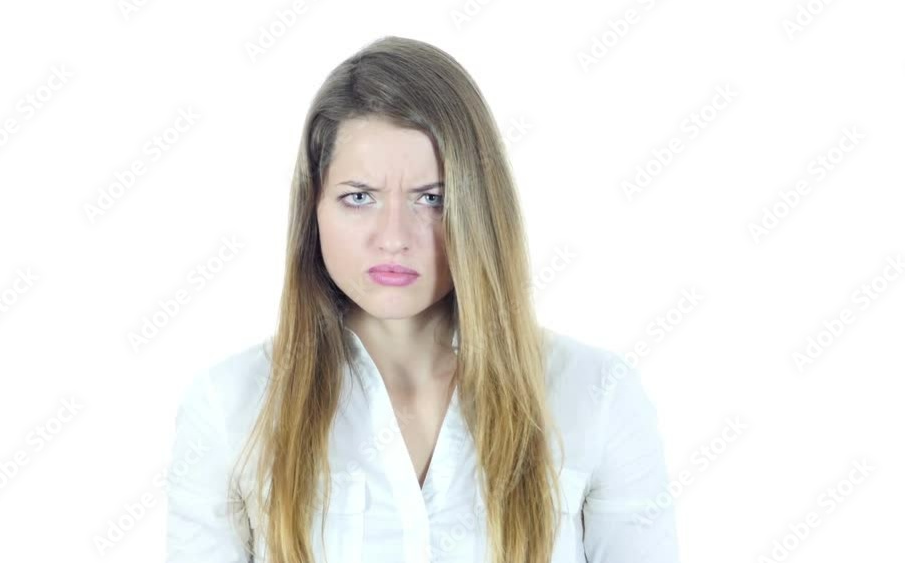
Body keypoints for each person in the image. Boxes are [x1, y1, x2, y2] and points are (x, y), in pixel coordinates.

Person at [166, 35, 681, 563]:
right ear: (314, 208)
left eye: (431, 199)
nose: (393, 237)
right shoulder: (229, 407)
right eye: (359, 197)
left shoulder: (596, 396)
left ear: (478, 208)